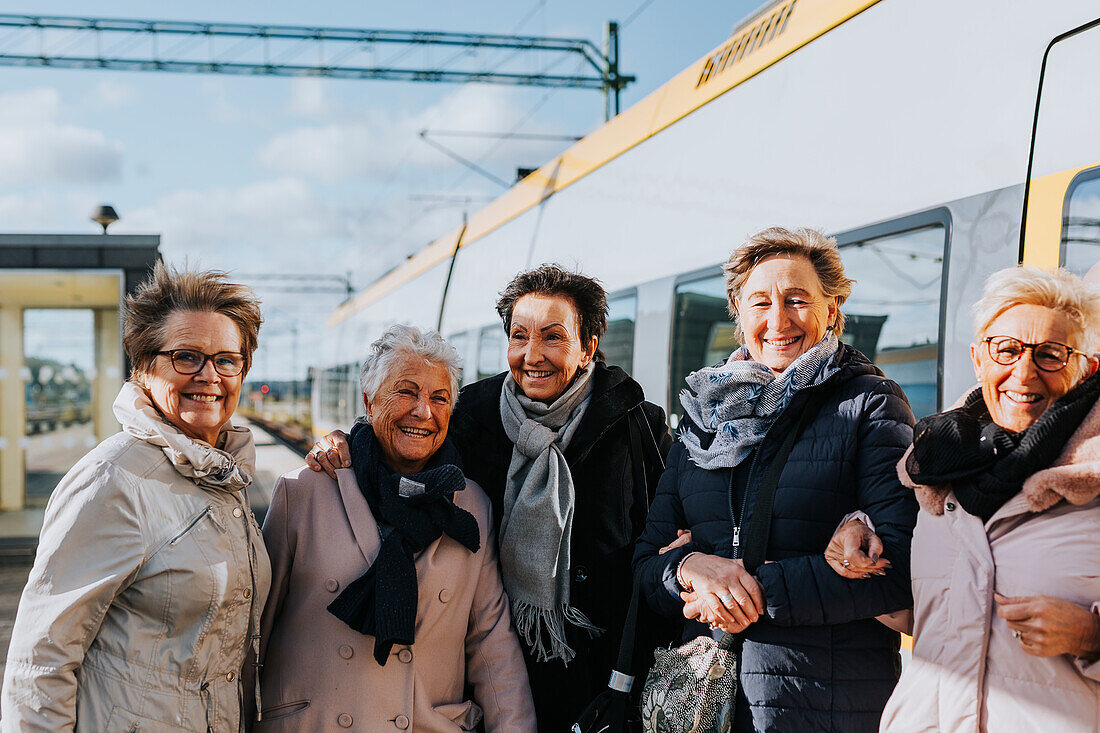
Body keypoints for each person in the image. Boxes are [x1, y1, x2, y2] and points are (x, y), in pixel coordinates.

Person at [307, 265, 673, 730]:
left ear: (588, 349)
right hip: (490, 675)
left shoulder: (636, 425)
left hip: (605, 685)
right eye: (519, 336)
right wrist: (346, 442)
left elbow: (670, 526)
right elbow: (402, 444)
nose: (531, 355)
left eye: (553, 337)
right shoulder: (472, 417)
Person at [634, 226, 918, 732]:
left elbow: (898, 570)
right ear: (740, 318)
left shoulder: (871, 406)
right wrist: (687, 568)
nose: (778, 320)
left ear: (831, 311)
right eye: (760, 303)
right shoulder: (703, 418)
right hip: (709, 708)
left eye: (797, 300)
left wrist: (749, 591)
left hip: (825, 707)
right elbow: (645, 563)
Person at [2, 264, 269, 732]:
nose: (210, 375)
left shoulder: (226, 477)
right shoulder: (113, 480)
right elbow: (40, 660)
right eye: (187, 357)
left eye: (227, 360)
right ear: (144, 368)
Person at [838, 266, 1100, 733]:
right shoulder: (937, 472)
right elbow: (928, 617)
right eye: (1008, 350)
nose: (1024, 372)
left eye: (1051, 354)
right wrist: (858, 553)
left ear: (1086, 367)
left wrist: (1091, 636)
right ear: (979, 360)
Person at [250, 325, 534, 731]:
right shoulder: (306, 491)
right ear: (369, 399)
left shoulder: (469, 505)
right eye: (406, 392)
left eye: (440, 398)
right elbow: (253, 630)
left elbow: (492, 643)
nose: (424, 412)